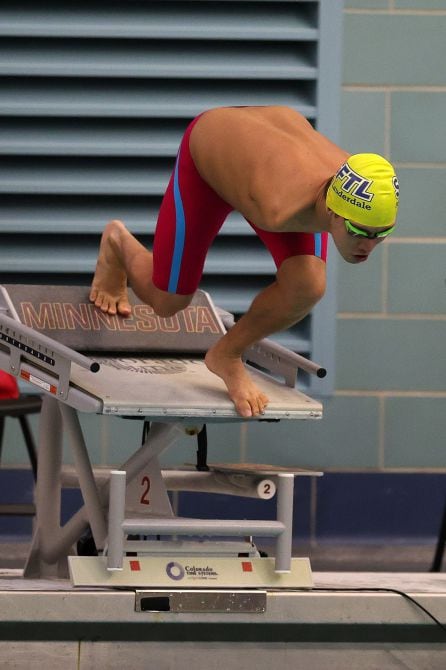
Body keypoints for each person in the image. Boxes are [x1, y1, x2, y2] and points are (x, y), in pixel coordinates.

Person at [90, 106, 399, 418]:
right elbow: (264, 187)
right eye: (358, 231)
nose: (367, 245)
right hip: (209, 154)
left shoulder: (361, 184)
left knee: (308, 286)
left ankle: (227, 353)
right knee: (169, 301)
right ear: (332, 210)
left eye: (381, 233)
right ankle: (116, 241)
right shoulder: (278, 207)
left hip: (271, 144)